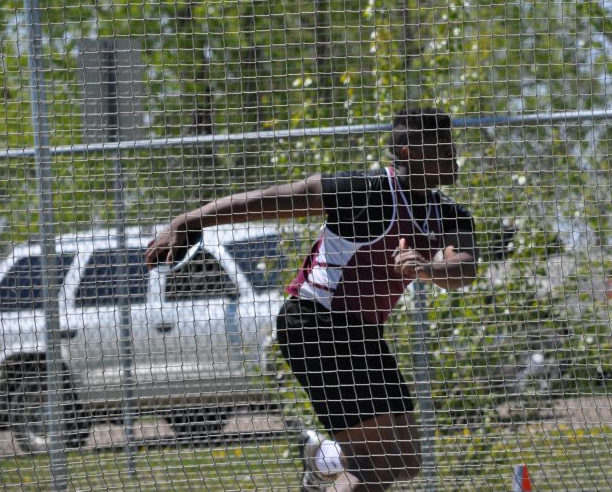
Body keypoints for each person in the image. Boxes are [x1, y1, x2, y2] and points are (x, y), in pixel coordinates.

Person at [146, 107, 477, 491]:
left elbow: (464, 267)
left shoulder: (450, 214)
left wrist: (427, 269)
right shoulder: (367, 191)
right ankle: (328, 462)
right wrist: (190, 221)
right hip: (314, 322)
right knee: (374, 467)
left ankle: (321, 459)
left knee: (406, 460)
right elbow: (279, 198)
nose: (454, 155)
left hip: (360, 333)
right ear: (408, 153)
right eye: (443, 147)